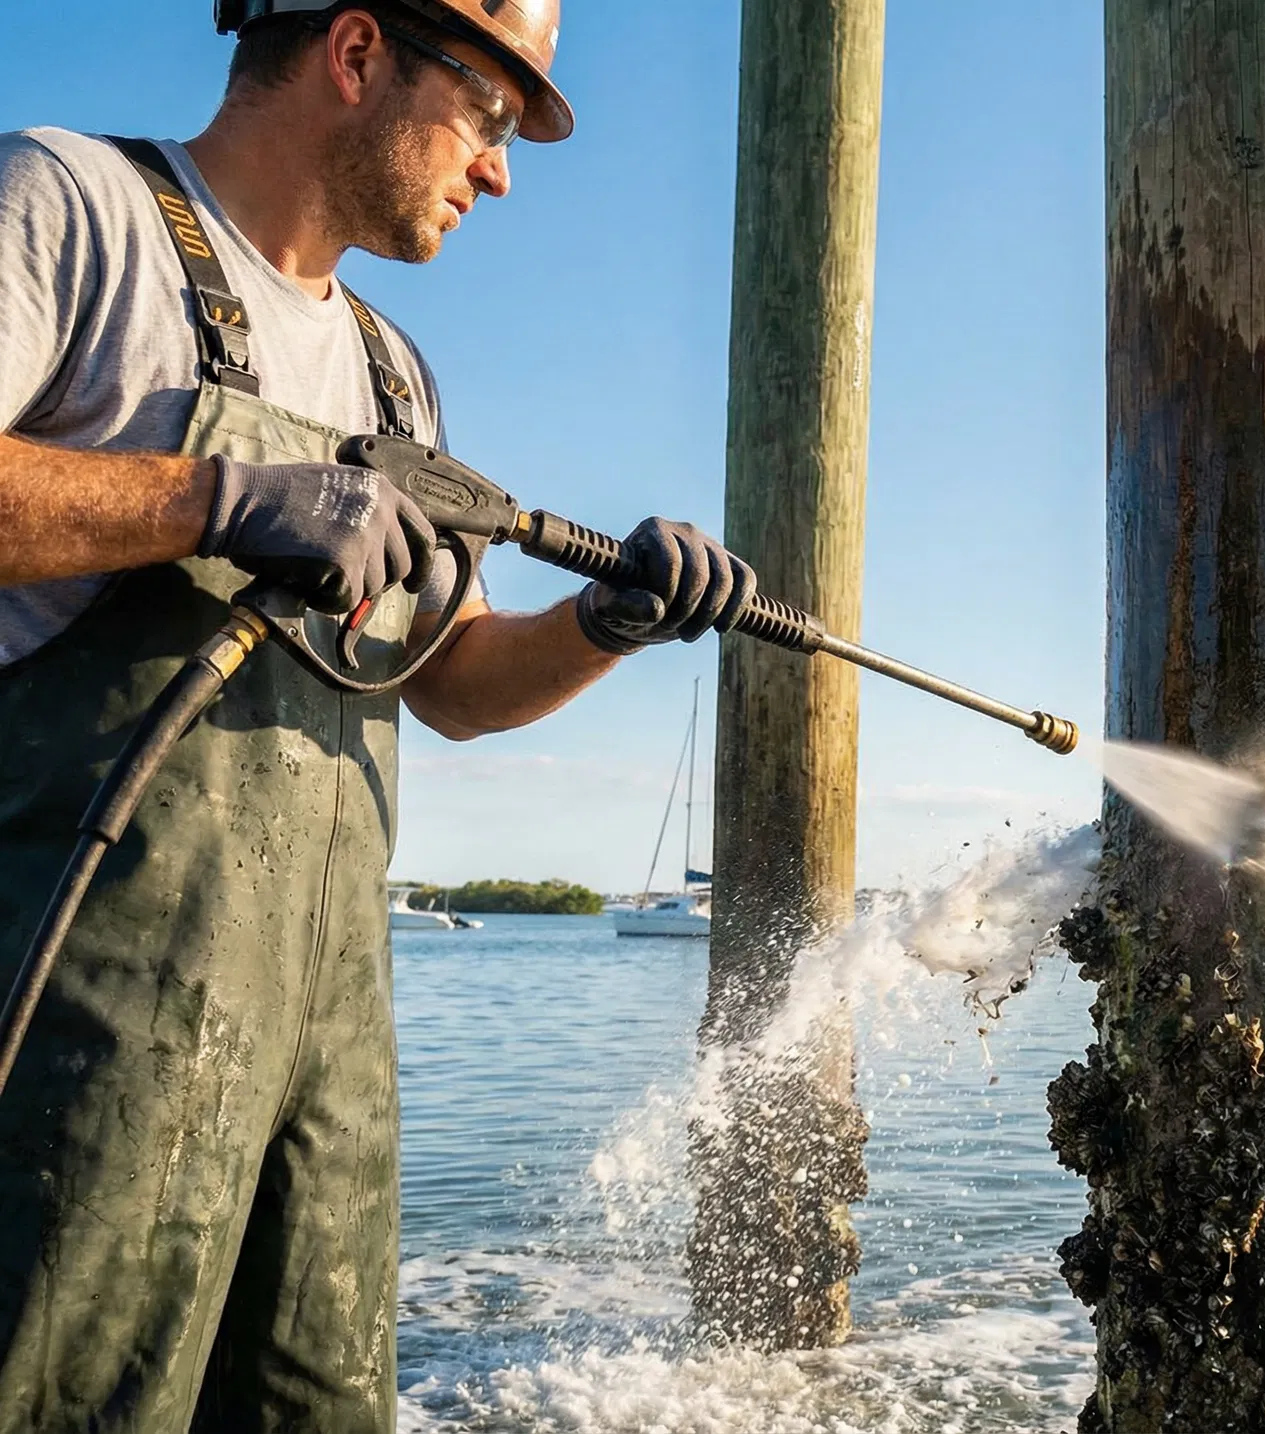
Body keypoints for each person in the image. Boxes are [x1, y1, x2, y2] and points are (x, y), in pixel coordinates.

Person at [0, 4, 750, 1428]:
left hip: (326, 1061)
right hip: (77, 1040)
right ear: (356, 54)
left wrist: (605, 622)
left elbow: (449, 680)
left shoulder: (398, 377)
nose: (504, 172)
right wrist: (214, 498)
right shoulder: (72, 205)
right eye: (493, 115)